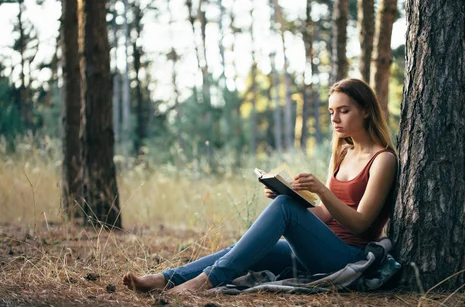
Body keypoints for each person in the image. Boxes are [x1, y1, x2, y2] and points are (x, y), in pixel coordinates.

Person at [123, 78, 398, 295]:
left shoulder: (382, 159)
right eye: (331, 112)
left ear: (365, 110)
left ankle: (205, 283)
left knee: (284, 210)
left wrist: (319, 192)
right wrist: (288, 198)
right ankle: (164, 278)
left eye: (343, 111)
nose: (335, 119)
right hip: (313, 251)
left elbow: (362, 225)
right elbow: (326, 215)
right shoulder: (342, 153)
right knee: (243, 248)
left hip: (345, 258)